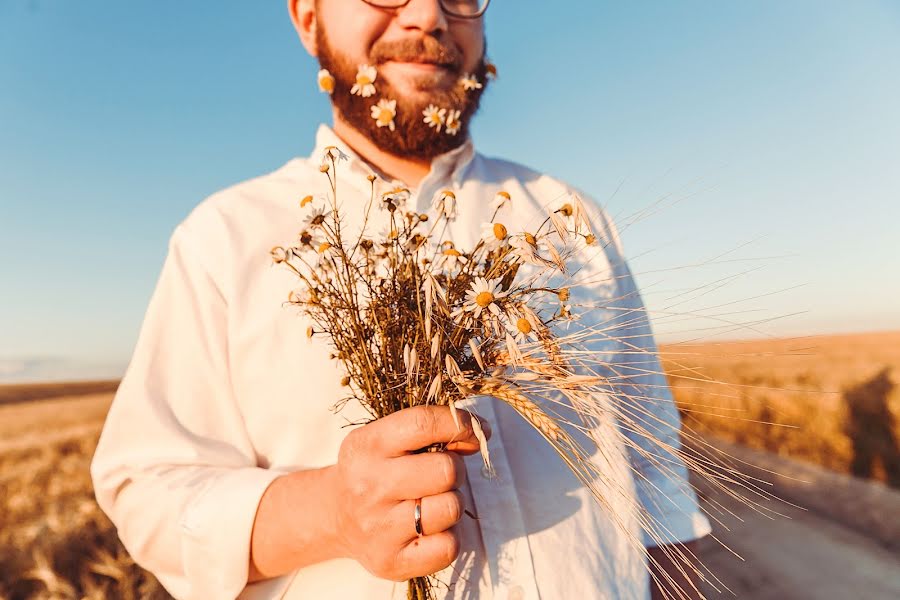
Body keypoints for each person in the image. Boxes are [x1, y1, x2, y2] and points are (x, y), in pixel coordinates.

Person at [91, 0, 712, 598]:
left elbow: (654, 472)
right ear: (308, 18)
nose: (429, 15)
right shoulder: (224, 238)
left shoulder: (570, 218)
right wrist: (332, 511)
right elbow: (147, 490)